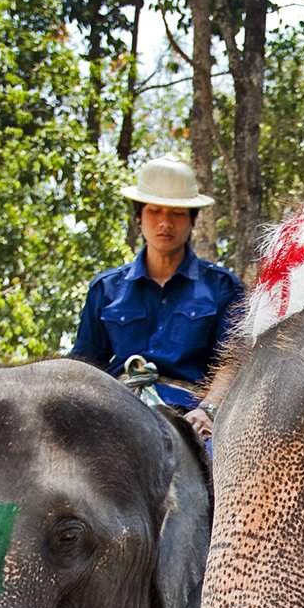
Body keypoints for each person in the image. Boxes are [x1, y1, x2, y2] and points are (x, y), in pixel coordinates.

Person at [71, 157, 243, 448]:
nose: (165, 222)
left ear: (192, 220)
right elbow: (84, 365)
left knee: (224, 476)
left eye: (177, 213)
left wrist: (209, 410)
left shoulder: (222, 287)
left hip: (190, 418)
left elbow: (232, 361)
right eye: (155, 211)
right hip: (115, 411)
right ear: (139, 217)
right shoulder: (106, 289)